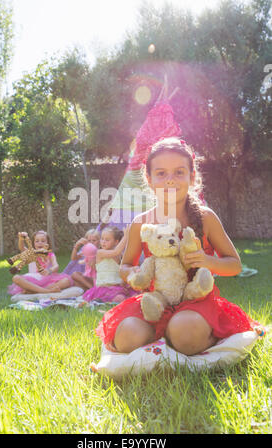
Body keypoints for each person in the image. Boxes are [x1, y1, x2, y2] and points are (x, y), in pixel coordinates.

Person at [95, 137, 261, 355]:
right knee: (127, 338)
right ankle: (163, 335)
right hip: (156, 300)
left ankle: (197, 335)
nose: (170, 180)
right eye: (161, 173)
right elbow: (125, 266)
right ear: (149, 178)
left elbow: (235, 265)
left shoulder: (206, 218)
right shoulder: (140, 224)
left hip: (196, 299)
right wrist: (133, 274)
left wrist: (207, 261)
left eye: (179, 172)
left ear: (192, 177)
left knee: (185, 334)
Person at [82, 226, 138, 303]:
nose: (103, 242)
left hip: (117, 287)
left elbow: (122, 269)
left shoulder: (120, 255)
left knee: (135, 296)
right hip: (104, 288)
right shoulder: (100, 253)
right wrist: (126, 237)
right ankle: (104, 300)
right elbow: (115, 252)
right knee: (120, 298)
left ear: (116, 242)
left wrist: (124, 282)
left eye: (107, 240)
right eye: (102, 239)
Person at [8, 230, 73, 295]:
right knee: (16, 278)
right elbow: (22, 248)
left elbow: (56, 266)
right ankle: (47, 291)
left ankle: (34, 291)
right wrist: (21, 239)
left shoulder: (50, 254)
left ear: (48, 243)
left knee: (67, 281)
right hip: (33, 279)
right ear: (33, 243)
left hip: (48, 279)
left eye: (43, 241)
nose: (40, 243)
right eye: (37, 241)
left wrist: (49, 271)